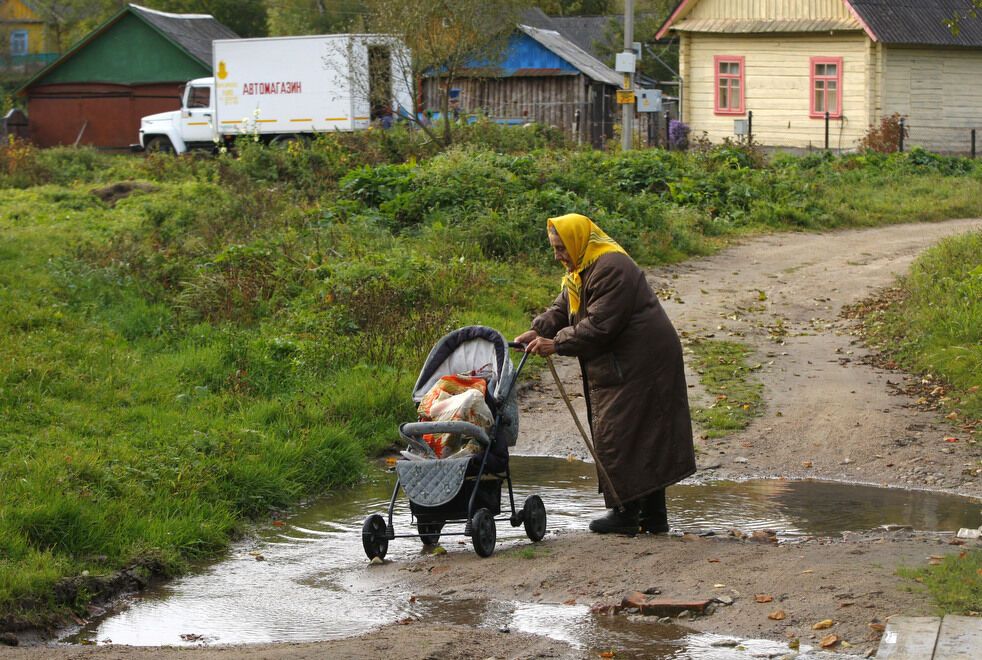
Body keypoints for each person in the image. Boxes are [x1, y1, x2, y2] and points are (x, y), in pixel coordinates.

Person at [515, 213, 696, 534]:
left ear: (577, 241)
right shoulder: (583, 268)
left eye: (561, 248)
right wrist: (538, 330)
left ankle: (625, 514)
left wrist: (556, 344)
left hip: (643, 361)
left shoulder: (611, 268)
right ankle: (653, 517)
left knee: (621, 432)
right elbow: (564, 308)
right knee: (641, 434)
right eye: (554, 248)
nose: (557, 255)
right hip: (630, 359)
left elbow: (599, 326)